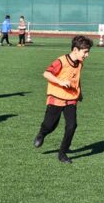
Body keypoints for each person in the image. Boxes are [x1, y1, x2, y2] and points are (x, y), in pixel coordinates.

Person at [33, 35, 93, 164]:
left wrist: (79, 92)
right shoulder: (61, 61)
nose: (87, 55)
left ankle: (62, 153)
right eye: (85, 52)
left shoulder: (80, 63)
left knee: (72, 125)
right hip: (56, 97)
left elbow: (76, 78)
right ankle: (42, 133)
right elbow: (46, 73)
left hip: (71, 98)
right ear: (76, 50)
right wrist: (60, 82)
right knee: (50, 125)